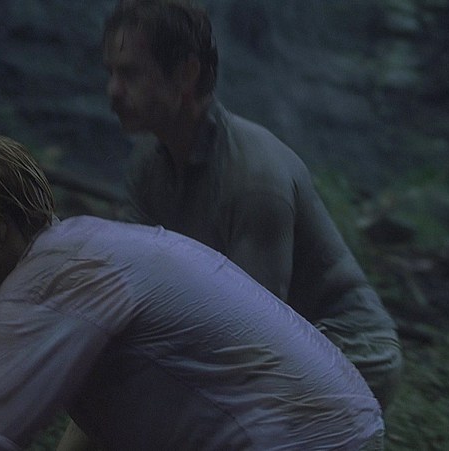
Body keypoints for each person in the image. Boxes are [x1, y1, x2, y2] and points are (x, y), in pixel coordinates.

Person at [0, 134, 385, 450]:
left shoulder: (40, 287)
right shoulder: (99, 244)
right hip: (352, 422)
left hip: (302, 439)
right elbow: (105, 418)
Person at [103, 0, 403, 409]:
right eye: (111, 73)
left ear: (187, 74)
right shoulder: (148, 166)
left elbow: (250, 339)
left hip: (351, 349)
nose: (113, 91)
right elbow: (134, 291)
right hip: (266, 345)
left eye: (131, 74)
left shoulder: (255, 177)